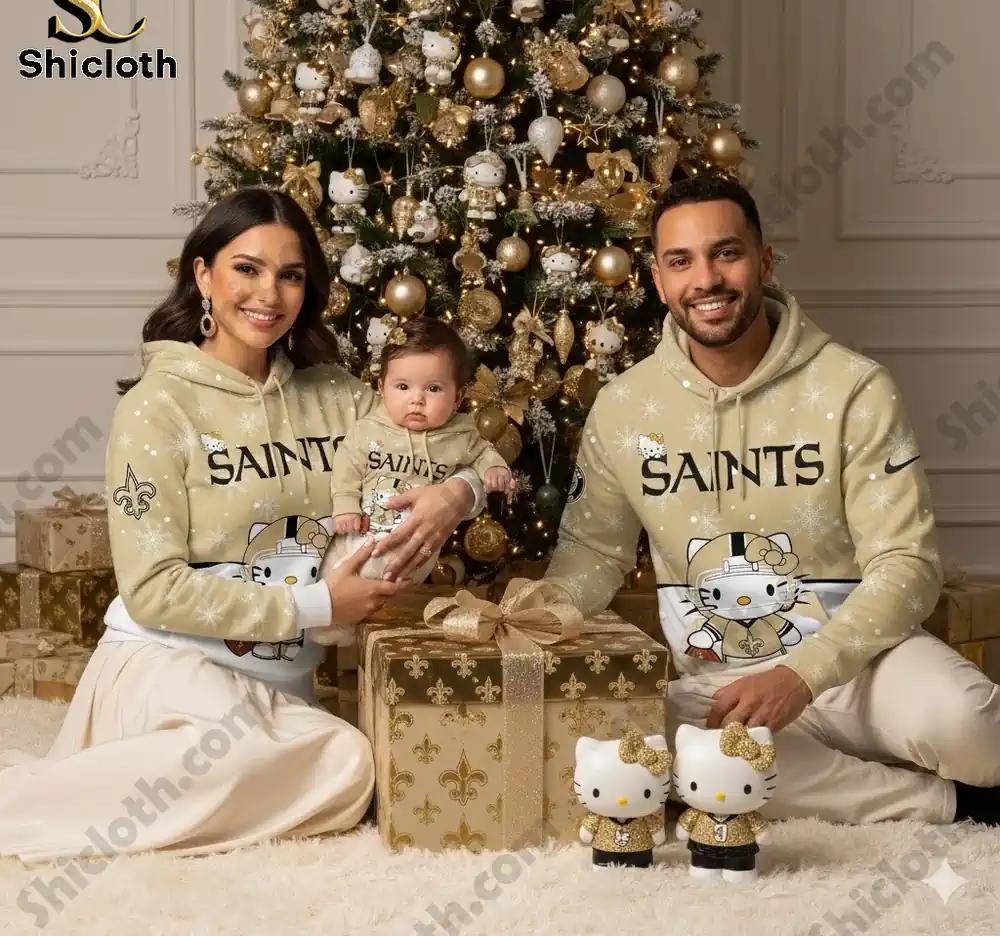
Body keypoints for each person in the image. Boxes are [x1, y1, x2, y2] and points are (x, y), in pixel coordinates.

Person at [0, 187, 486, 864]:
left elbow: (458, 437)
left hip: (279, 683)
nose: (270, 294)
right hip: (169, 660)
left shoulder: (339, 398)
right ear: (202, 274)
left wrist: (457, 495)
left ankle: (128, 790)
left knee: (348, 766)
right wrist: (319, 604)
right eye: (247, 269)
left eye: (290, 275)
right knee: (255, 752)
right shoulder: (156, 407)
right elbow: (153, 589)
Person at [542, 175, 1000, 827]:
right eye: (681, 261)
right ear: (658, 280)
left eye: (725, 252)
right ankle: (946, 803)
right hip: (714, 682)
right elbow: (592, 553)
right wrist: (536, 615)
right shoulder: (624, 408)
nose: (706, 278)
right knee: (679, 757)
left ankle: (885, 771)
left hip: (864, 660)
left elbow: (908, 565)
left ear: (763, 261)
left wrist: (802, 675)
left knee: (971, 724)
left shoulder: (853, 386)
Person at [316, 316, 512, 597]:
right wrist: (346, 504)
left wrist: (494, 468)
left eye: (433, 389)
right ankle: (333, 618)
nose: (417, 399)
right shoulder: (370, 428)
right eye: (403, 387)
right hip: (360, 531)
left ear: (457, 398)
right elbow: (347, 464)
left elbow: (483, 453)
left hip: (415, 541)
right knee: (335, 572)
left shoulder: (459, 434)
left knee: (393, 576)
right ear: (382, 389)